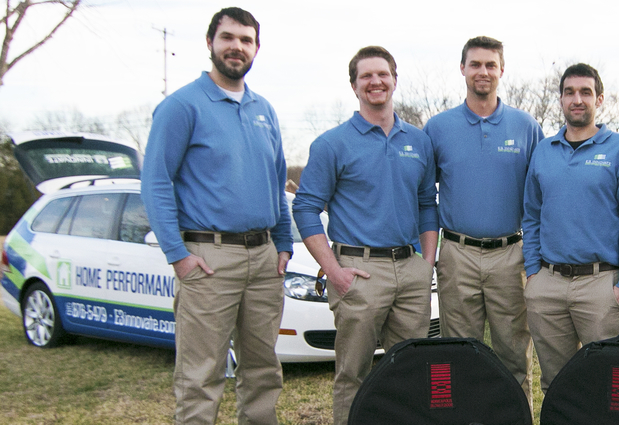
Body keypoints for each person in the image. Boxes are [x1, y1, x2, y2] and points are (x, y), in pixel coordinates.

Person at [141, 7, 291, 425]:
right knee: (201, 376)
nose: (236, 47)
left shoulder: (265, 110)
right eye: (228, 38)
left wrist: (283, 243)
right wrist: (178, 254)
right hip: (208, 260)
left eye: (246, 40)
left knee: (263, 370)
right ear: (210, 43)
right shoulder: (181, 106)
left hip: (263, 260)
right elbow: (155, 183)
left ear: (256, 48)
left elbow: (275, 182)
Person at [292, 46, 438, 425]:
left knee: (410, 371)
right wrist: (333, 270)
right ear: (354, 85)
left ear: (394, 79)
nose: (376, 82)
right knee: (353, 374)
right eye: (366, 76)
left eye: (382, 74)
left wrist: (427, 263)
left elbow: (427, 205)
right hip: (358, 270)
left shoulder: (419, 142)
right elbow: (305, 208)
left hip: (410, 270)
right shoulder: (332, 144)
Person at [423, 36, 542, 406]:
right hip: (457, 254)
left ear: (502, 70)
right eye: (475, 64)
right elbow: (425, 196)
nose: (483, 72)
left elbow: (540, 196)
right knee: (459, 352)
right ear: (462, 69)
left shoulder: (525, 126)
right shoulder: (438, 128)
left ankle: (516, 415)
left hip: (511, 254)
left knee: (513, 352)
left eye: (491, 65)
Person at [522, 63, 619, 393]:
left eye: (585, 92)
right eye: (570, 92)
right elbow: (531, 216)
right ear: (560, 99)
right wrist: (533, 272)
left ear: (599, 99)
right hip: (547, 284)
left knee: (606, 382)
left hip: (601, 284)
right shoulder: (543, 152)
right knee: (557, 383)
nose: (577, 99)